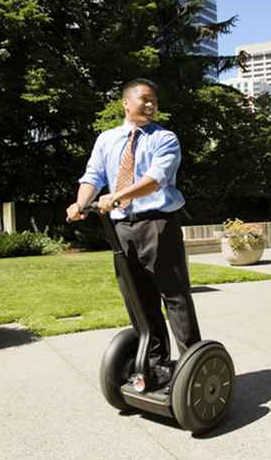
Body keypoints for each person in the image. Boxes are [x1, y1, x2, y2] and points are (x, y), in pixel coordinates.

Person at [66, 78, 200, 383]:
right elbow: (93, 175)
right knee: (139, 299)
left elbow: (157, 178)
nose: (152, 105)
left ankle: (194, 363)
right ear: (126, 103)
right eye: (145, 100)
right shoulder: (107, 139)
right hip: (120, 227)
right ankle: (156, 364)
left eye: (155, 100)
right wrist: (80, 203)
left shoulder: (164, 138)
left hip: (157, 224)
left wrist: (119, 195)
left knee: (174, 295)